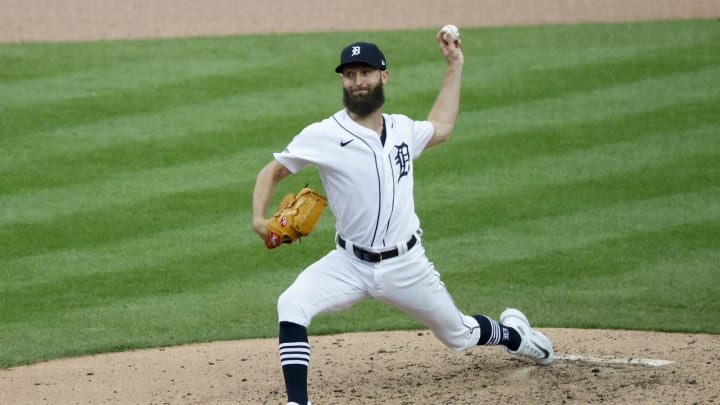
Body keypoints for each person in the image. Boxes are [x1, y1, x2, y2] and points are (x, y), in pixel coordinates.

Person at [251, 30, 554, 405]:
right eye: (349, 74)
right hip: (348, 262)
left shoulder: (402, 130)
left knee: (457, 334)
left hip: (406, 264)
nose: (357, 81)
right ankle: (298, 402)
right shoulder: (324, 134)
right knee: (291, 303)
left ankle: (515, 336)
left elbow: (441, 127)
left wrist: (454, 65)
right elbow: (272, 172)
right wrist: (259, 219)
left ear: (383, 76)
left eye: (365, 72)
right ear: (342, 81)